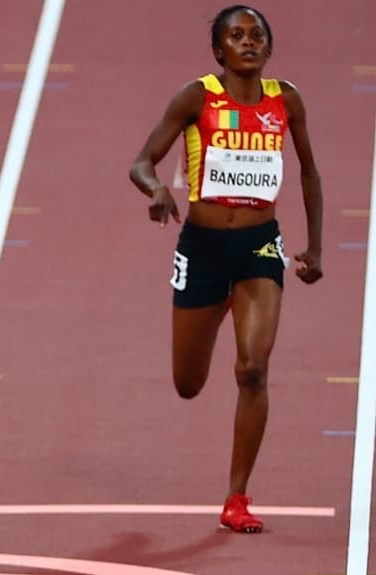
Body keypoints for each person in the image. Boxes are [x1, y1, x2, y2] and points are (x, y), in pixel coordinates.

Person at [128, 5, 323, 533]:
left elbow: (309, 173)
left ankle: (237, 497)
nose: (248, 41)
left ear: (269, 47)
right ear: (219, 50)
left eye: (256, 34)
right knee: (188, 384)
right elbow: (141, 162)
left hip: (260, 247)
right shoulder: (197, 97)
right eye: (236, 35)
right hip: (203, 249)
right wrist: (156, 190)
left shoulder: (286, 100)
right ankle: (217, 305)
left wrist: (315, 247)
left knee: (253, 370)